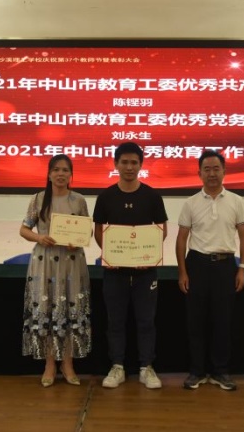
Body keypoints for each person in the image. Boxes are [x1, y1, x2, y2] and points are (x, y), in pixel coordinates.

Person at [93, 142, 168, 389]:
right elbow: (98, 230)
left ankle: (147, 367)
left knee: (146, 321)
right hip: (114, 272)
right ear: (115, 164)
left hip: (146, 273)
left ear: (141, 165)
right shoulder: (106, 197)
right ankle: (117, 366)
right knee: (115, 321)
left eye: (134, 162)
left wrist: (146, 256)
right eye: (124, 162)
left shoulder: (152, 196)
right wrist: (111, 255)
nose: (129, 167)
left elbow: (162, 230)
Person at [175, 149, 244, 391]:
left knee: (222, 322)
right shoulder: (190, 203)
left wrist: (241, 269)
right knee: (195, 322)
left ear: (224, 171)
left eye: (216, 169)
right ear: (199, 173)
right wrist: (182, 272)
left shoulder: (236, 201)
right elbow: (181, 239)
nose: (211, 174)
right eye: (206, 169)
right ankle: (196, 372)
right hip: (197, 265)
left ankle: (221, 372)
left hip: (225, 267)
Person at [19, 154, 91, 387]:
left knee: (69, 309)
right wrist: (39, 237)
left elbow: (87, 231)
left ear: (71, 175)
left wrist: (77, 241)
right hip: (45, 262)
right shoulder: (39, 199)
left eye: (65, 170)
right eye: (56, 170)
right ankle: (49, 364)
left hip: (72, 262)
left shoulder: (79, 200)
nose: (61, 174)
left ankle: (68, 363)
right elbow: (24, 229)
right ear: (49, 174)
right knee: (49, 309)